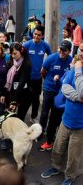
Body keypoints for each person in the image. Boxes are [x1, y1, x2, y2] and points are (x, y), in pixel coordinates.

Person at [41, 56, 83, 185]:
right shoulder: (73, 70)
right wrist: (77, 97)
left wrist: (77, 71)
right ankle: (56, 167)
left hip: (80, 125)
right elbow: (64, 87)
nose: (80, 53)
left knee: (73, 156)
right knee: (58, 148)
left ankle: (70, 177)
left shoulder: (76, 70)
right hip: (66, 120)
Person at [38, 40, 72, 149]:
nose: (61, 52)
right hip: (49, 90)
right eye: (60, 49)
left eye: (64, 50)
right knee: (44, 113)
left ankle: (52, 136)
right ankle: (40, 132)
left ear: (69, 51)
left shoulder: (71, 62)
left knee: (56, 116)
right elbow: (43, 71)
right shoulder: (51, 58)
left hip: (61, 94)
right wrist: (48, 82)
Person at [23, 25, 52, 123]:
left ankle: (33, 117)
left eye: (39, 35)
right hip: (27, 78)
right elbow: (18, 56)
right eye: (35, 34)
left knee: (36, 100)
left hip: (38, 78)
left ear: (42, 36)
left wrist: (47, 69)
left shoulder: (45, 45)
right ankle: (21, 117)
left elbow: (51, 57)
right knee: (26, 99)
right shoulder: (27, 44)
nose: (36, 36)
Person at [5, 43, 32, 122]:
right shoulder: (10, 61)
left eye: (15, 53)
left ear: (21, 52)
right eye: (11, 53)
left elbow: (22, 82)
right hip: (12, 91)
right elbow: (6, 78)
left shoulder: (27, 63)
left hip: (24, 93)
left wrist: (14, 101)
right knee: (10, 115)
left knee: (20, 118)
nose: (13, 56)